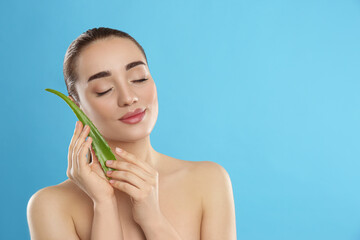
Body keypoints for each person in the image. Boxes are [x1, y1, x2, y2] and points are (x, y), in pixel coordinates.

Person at [27, 27, 237, 240]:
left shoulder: (208, 181)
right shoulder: (51, 206)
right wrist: (104, 204)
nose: (128, 97)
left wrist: (153, 220)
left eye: (139, 78)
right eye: (104, 89)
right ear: (77, 106)